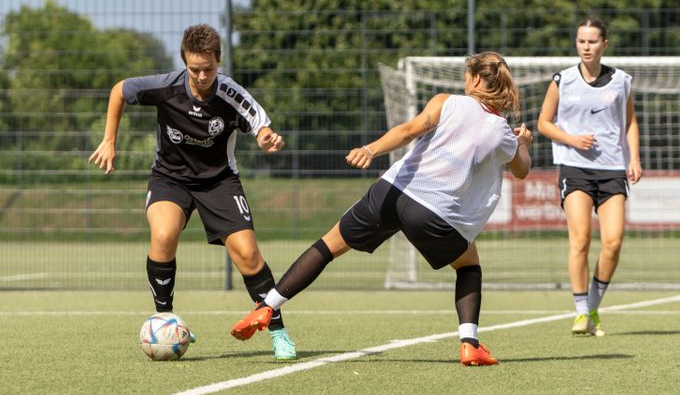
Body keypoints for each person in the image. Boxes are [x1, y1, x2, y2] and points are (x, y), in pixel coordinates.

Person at [230, 51, 533, 366]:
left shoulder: (446, 101)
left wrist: (370, 149)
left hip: (391, 191)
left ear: (473, 79)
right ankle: (470, 343)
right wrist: (523, 142)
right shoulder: (500, 131)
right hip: (432, 213)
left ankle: (267, 305)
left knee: (328, 245)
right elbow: (522, 170)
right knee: (469, 266)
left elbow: (407, 132)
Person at [88, 24, 297, 360]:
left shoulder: (231, 94)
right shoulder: (166, 87)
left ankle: (278, 331)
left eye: (209, 69)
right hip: (170, 178)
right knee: (163, 234)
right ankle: (166, 319)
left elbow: (260, 125)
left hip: (219, 181)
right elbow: (119, 90)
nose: (202, 76)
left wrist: (266, 138)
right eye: (195, 69)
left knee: (248, 254)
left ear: (219, 62)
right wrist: (109, 140)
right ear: (184, 61)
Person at [537, 18, 643, 337]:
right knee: (580, 240)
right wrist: (572, 140)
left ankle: (593, 306)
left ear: (604, 45)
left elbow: (630, 123)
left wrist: (634, 158)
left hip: (612, 170)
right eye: (581, 41)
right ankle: (581, 311)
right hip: (574, 167)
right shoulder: (563, 80)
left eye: (592, 41)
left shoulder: (621, 80)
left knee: (612, 242)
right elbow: (544, 122)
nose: (586, 46)